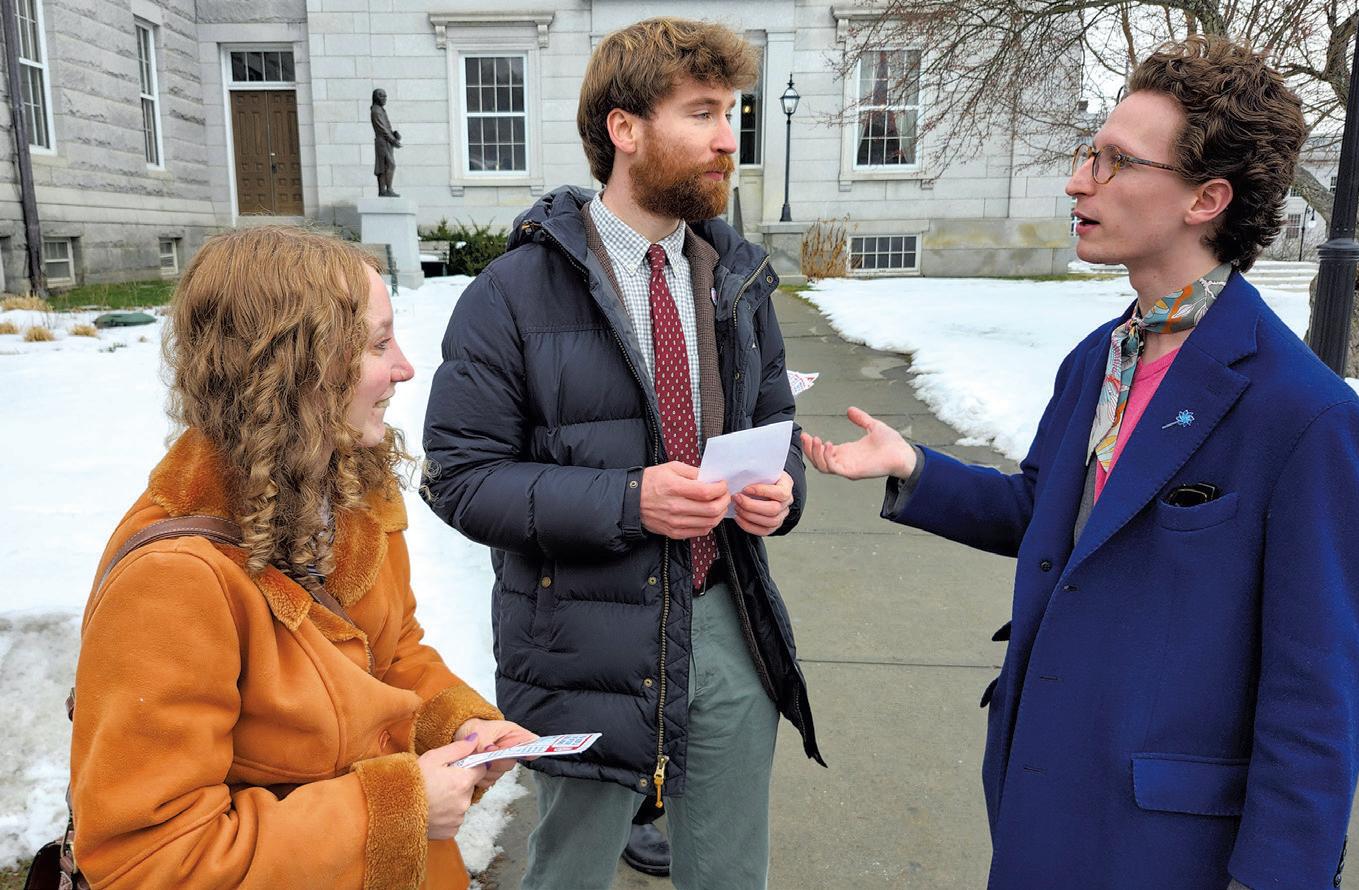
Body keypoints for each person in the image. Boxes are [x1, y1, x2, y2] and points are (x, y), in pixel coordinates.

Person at [802, 37, 1359, 890]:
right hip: (1041, 796)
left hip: (1167, 847)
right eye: (1090, 154)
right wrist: (916, 469)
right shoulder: (1100, 358)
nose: (1079, 182)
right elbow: (1051, 518)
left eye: (1116, 162)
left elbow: (1320, 695)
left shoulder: (1308, 418)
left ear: (1207, 199)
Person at [422, 17, 822, 890]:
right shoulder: (511, 293)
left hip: (727, 618)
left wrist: (780, 489)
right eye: (702, 113)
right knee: (569, 871)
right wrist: (628, 500)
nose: (728, 139)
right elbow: (459, 478)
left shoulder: (738, 278)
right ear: (625, 129)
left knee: (731, 872)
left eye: (731, 114)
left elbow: (774, 418)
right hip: (582, 642)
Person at [69, 226, 537, 889]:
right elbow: (151, 860)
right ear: (294, 366)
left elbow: (391, 653)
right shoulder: (173, 581)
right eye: (377, 344)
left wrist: (460, 727)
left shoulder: (349, 492)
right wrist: (396, 811)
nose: (405, 367)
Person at [372, 88, 402, 196]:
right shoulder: (376, 111)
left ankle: (384, 191)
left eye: (385, 96)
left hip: (386, 141)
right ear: (376, 97)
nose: (384, 98)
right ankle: (387, 190)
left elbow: (386, 128)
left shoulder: (380, 110)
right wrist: (393, 140)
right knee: (389, 165)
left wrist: (394, 134)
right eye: (381, 96)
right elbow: (382, 129)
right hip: (382, 142)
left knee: (385, 166)